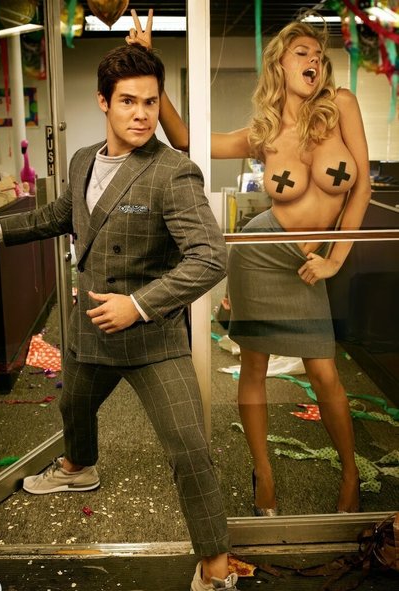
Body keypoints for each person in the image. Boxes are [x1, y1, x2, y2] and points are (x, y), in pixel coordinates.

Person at [0, 45, 238, 591]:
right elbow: (63, 214)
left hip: (153, 339)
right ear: (103, 102)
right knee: (73, 404)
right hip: (90, 327)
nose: (142, 114)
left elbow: (210, 258)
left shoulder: (173, 172)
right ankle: (78, 468)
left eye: (151, 102)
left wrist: (138, 305)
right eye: (128, 101)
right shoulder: (84, 159)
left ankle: (216, 565)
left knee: (189, 448)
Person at [127, 10, 371, 515]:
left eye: (318, 55)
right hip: (260, 251)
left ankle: (351, 475)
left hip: (309, 260)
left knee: (324, 371)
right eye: (301, 53)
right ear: (279, 64)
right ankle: (264, 474)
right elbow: (187, 139)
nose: (313, 61)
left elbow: (361, 185)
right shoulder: (264, 133)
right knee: (254, 366)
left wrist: (335, 259)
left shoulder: (340, 106)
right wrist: (151, 64)